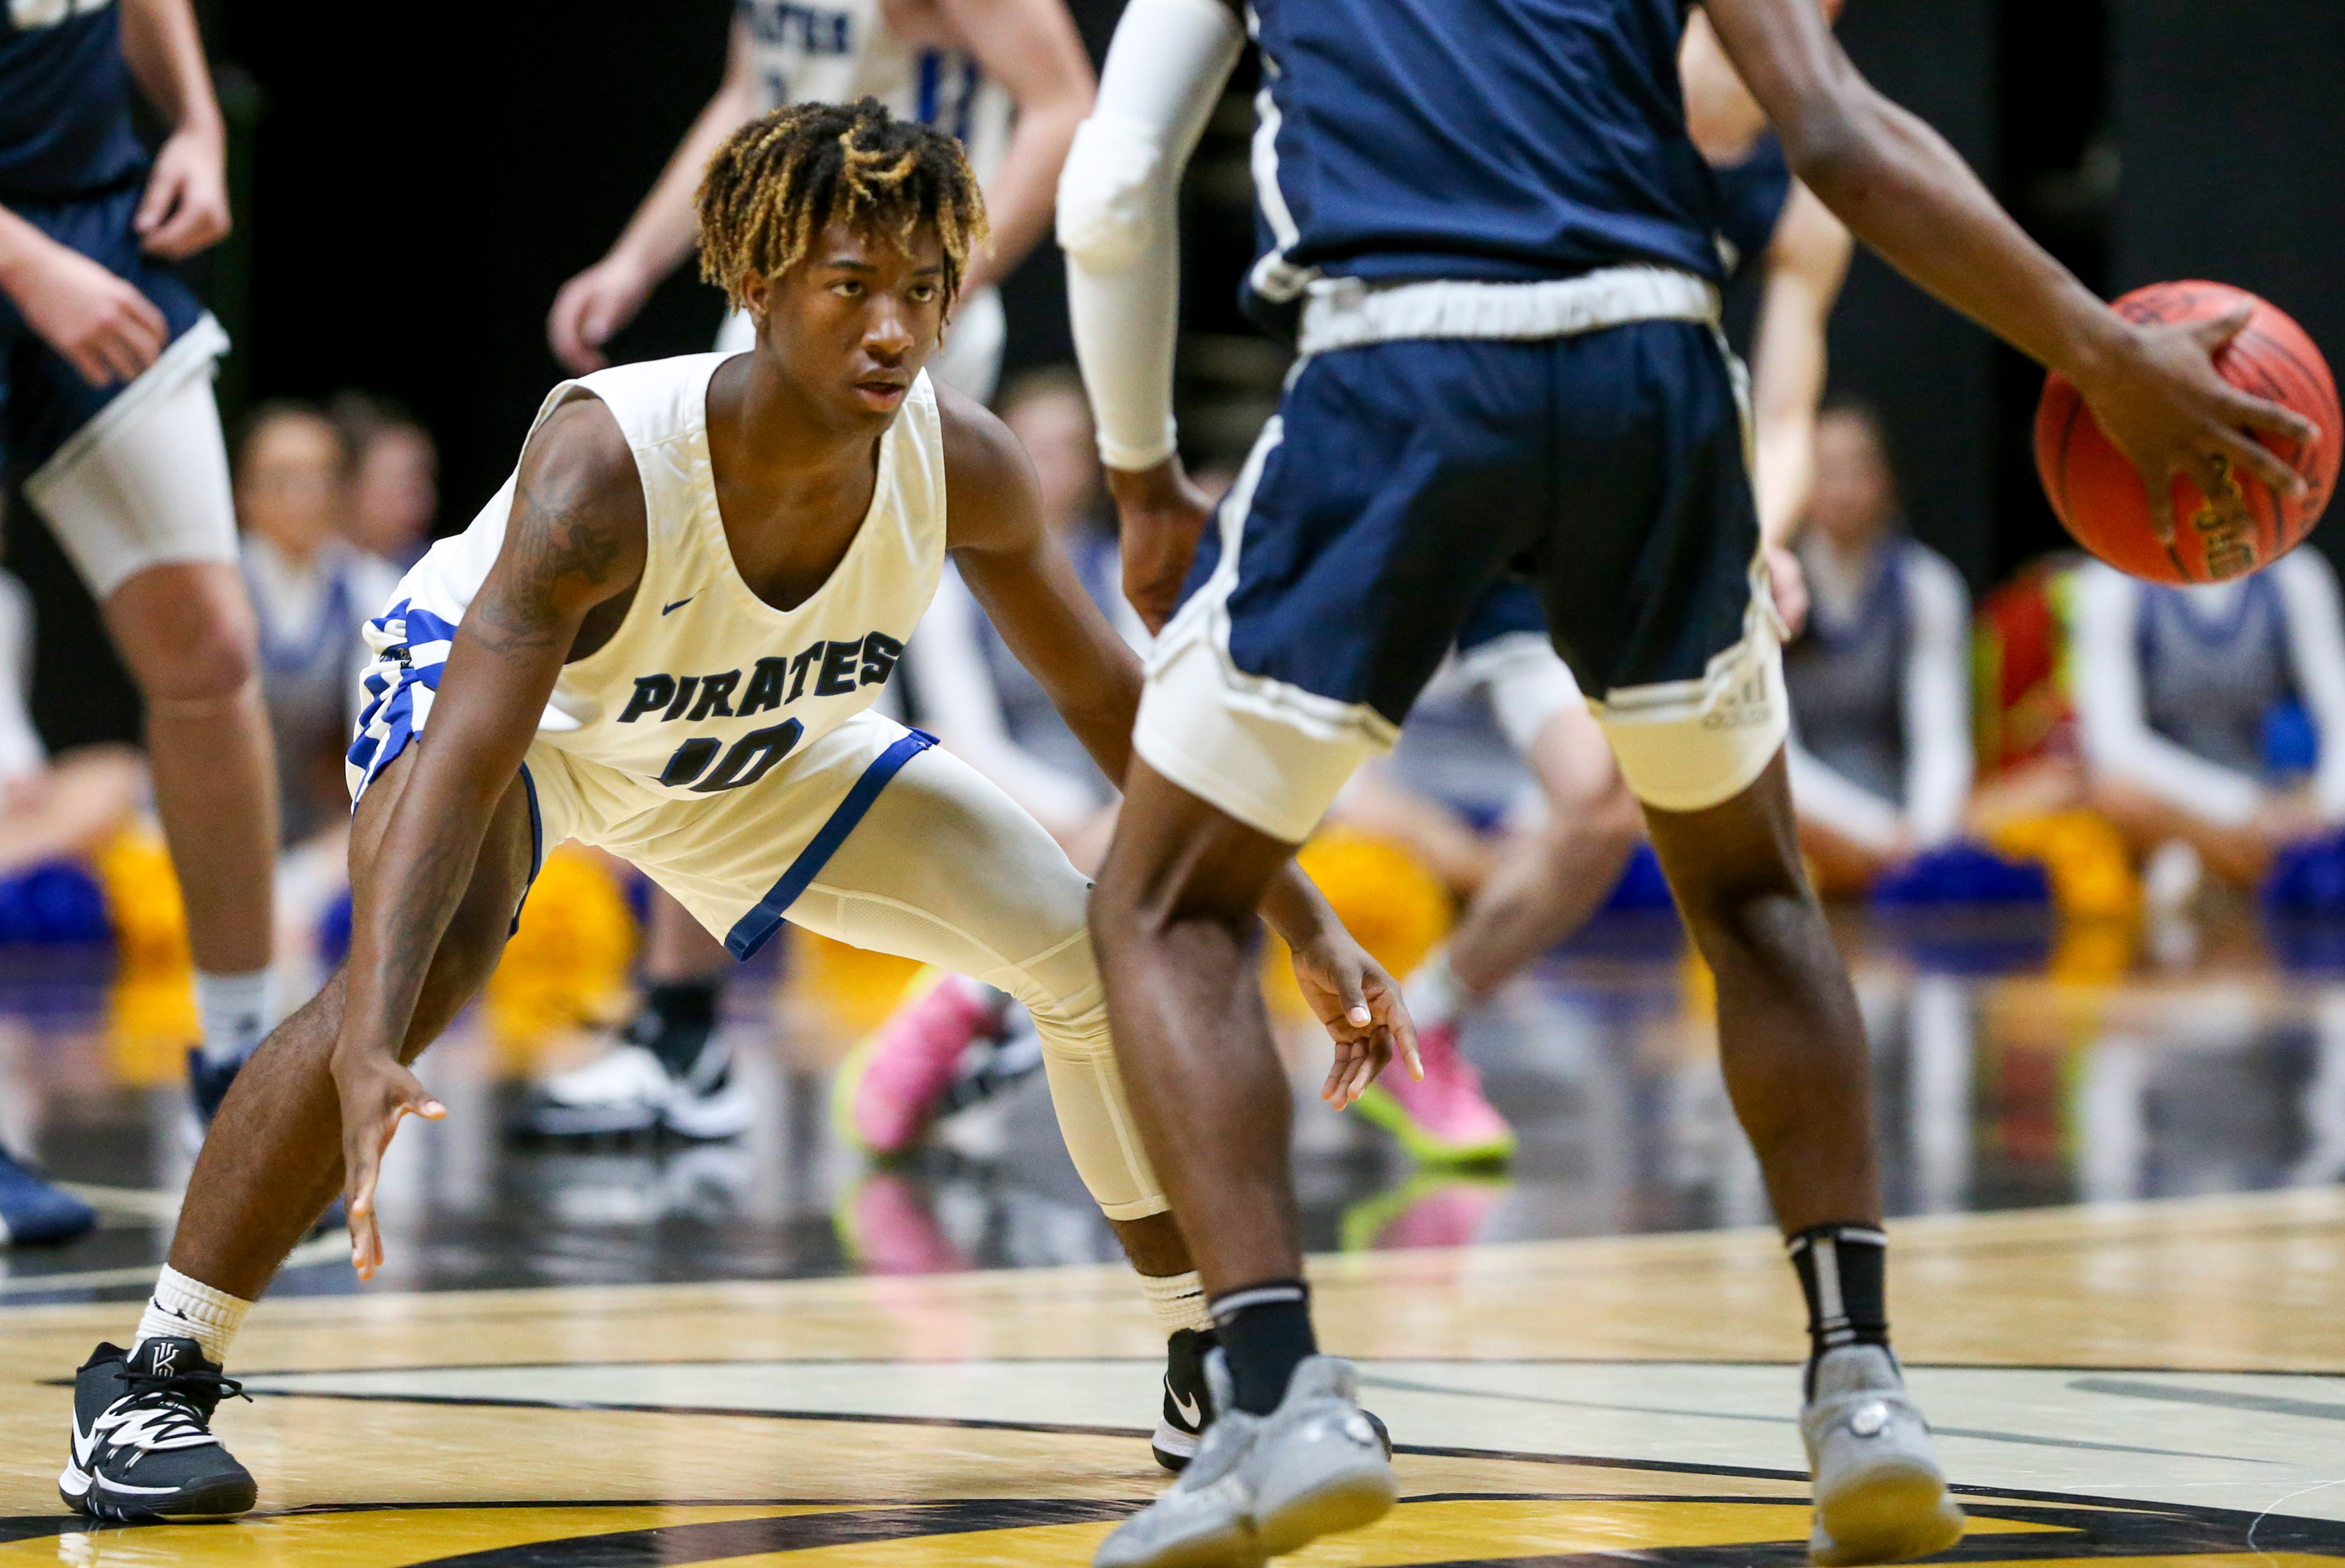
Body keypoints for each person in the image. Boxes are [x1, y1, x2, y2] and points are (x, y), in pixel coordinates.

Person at [1056, 0, 2313, 1557]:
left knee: (1164, 900)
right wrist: (2101, 347)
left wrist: (1140, 478)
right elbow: (1838, 130)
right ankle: (1859, 1387)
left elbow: (1113, 186)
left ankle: (1271, 1394)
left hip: (1405, 362)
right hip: (1652, 367)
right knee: (1748, 886)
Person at [58, 102, 1408, 1524]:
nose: (895, 327)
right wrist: (377, 1031)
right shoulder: (609, 467)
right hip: (531, 721)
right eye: (850, 286)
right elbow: (460, 762)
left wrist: (1304, 921)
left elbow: (1120, 710)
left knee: (1077, 953)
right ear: (757, 284)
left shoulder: (968, 461)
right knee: (417, 970)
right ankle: (152, 1379)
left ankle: (1209, 1356)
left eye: (924, 289)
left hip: (750, 744)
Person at [526, 0, 1099, 1140]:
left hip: (870, 356)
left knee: (871, 710)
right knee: (727, 676)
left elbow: (1063, 105)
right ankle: (694, 1026)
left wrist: (928, 285)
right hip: (794, 332)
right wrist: (637, 261)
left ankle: (1023, 976)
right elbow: (751, 100)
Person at [1329, 3, 1859, 1164]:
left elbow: (1780, 406)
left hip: (1627, 512)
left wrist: (1763, 538)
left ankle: (1421, 1033)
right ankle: (1005, 972)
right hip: (1457, 444)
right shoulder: (1595, 65)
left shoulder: (1816, 160)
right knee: (1245, 776)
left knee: (1595, 811)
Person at [1, 0, 280, 1125]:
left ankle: (243, 1063)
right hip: (31, 246)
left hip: (96, 220)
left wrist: (197, 125)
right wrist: (25, 264)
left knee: (210, 650)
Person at [2073, 545, 2345, 902]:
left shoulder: (2295, 576)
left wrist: (2322, 809)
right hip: (2170, 802)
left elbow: (2339, 720)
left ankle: (2204, 865)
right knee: (2114, 795)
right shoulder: (2111, 584)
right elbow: (2114, 746)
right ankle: (2258, 871)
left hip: (2269, 796)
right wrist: (2247, 808)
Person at [1784, 401, 1973, 895]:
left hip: (1901, 824)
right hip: (1802, 823)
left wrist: (1925, 842)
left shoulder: (1925, 586)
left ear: (1885, 478)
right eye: (1825, 471)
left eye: (1858, 469)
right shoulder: (1770, 587)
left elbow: (1942, 741)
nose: (1843, 490)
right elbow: (1771, 757)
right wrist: (1876, 835)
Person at [234, 403, 402, 847]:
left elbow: (387, 729)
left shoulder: (375, 590)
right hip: (216, 812)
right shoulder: (213, 588)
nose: (302, 496)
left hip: (316, 830)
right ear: (243, 494)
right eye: (282, 479)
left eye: (319, 478)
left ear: (343, 492)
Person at [330, 393, 438, 570]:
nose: (424, 502)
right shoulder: (316, 574)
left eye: (426, 481)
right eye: (406, 487)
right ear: (347, 487)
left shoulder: (437, 570)